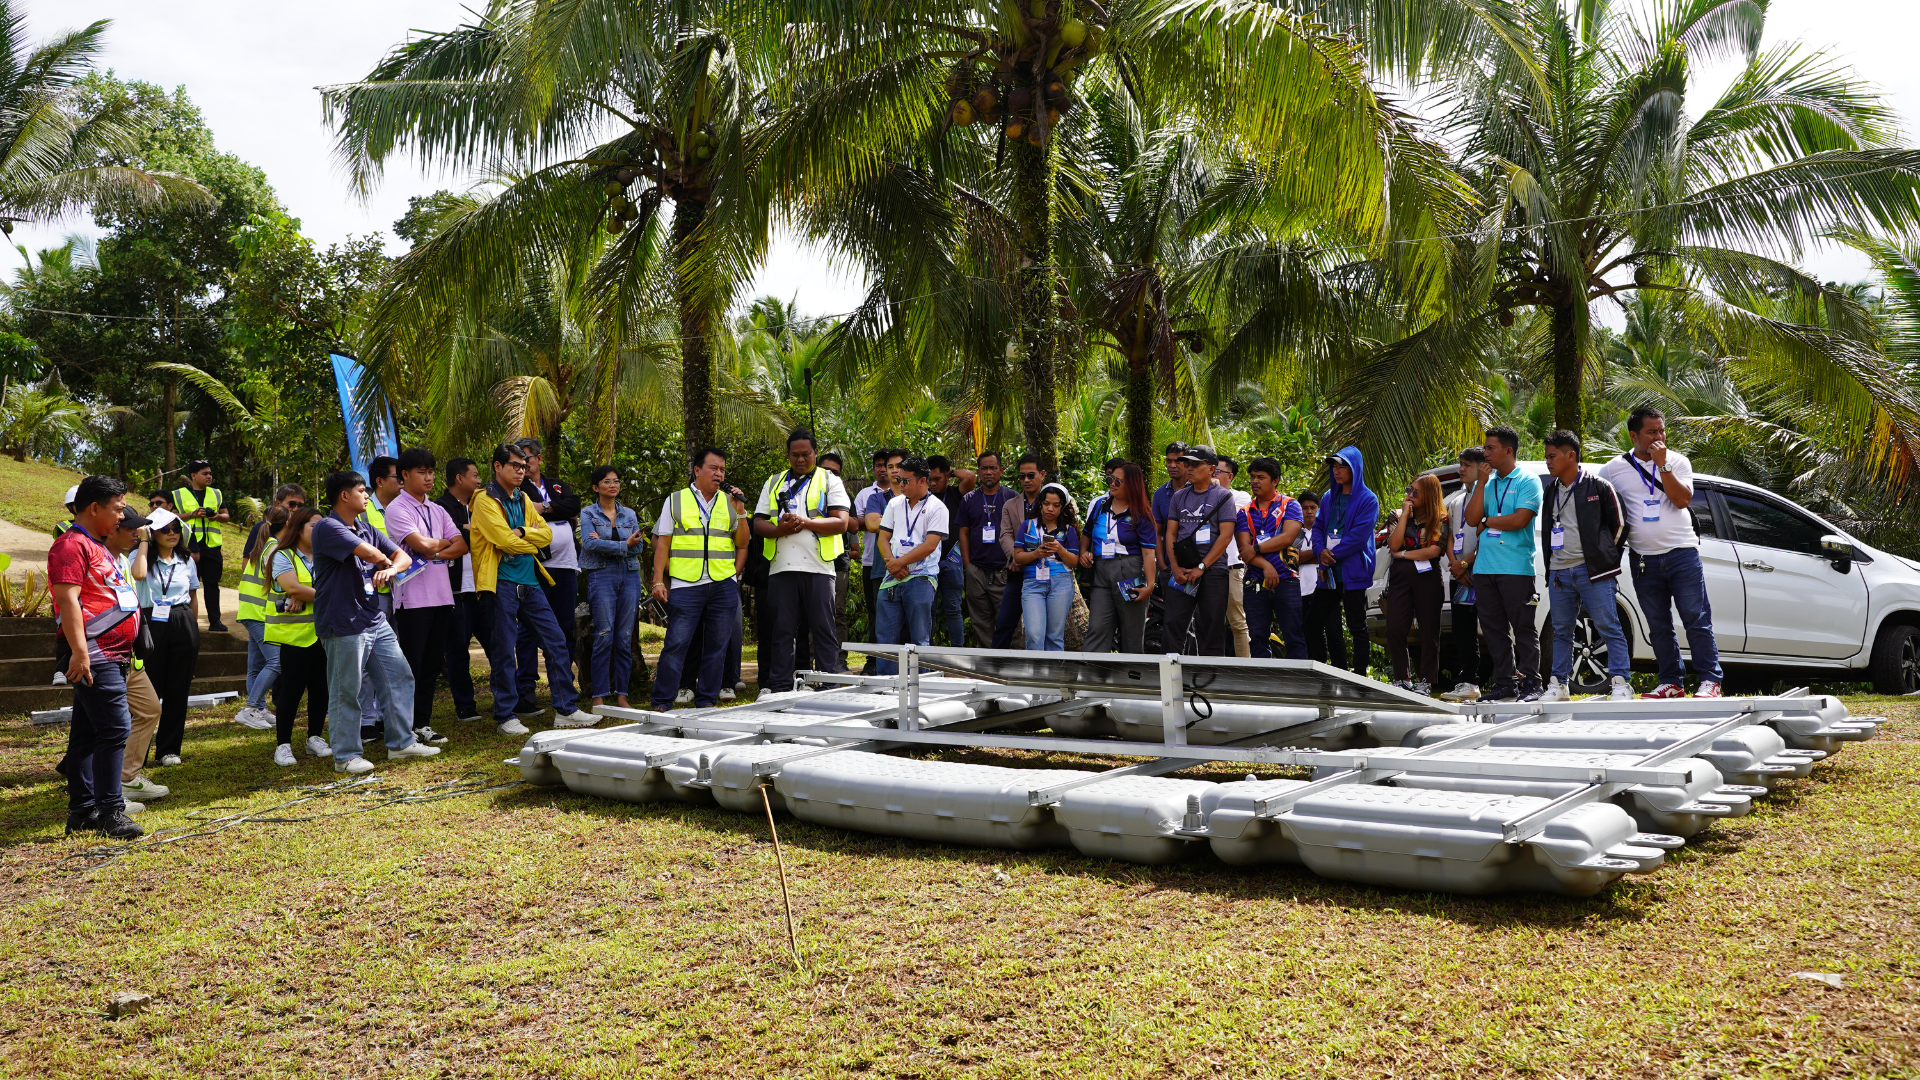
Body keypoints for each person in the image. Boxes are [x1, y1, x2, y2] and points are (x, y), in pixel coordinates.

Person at [313, 470, 443, 773]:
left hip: (373, 619)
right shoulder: (327, 527)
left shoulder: (367, 526)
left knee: (399, 676)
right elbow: (370, 553)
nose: (367, 495)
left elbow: (404, 557)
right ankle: (346, 756)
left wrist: (391, 567)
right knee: (347, 689)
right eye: (362, 490)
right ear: (345, 496)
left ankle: (401, 743)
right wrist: (386, 563)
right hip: (342, 622)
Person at [469, 445, 597, 731]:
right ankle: (505, 715)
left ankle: (566, 709)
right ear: (497, 467)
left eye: (523, 466)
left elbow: (547, 533)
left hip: (530, 580)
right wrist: (528, 539)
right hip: (500, 582)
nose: (520, 470)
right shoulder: (485, 500)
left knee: (556, 642)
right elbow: (503, 541)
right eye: (514, 465)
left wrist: (525, 532)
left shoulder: (524, 498)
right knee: (504, 650)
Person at [1600, 406, 1722, 698]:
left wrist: (1663, 465)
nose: (1659, 436)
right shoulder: (1612, 470)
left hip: (1682, 553)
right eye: (1651, 431)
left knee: (1696, 617)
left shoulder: (1678, 461)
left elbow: (1681, 500)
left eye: (1661, 430)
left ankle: (1710, 680)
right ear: (1634, 435)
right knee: (1658, 624)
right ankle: (1672, 682)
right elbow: (1604, 513)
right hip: (1642, 558)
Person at [50, 475, 143, 839]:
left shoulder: (97, 545)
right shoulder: (70, 545)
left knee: (87, 734)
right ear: (94, 508)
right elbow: (68, 600)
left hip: (113, 654)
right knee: (115, 729)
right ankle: (111, 812)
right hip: (95, 653)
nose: (122, 518)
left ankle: (82, 810)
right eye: (118, 509)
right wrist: (79, 653)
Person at [646, 447, 750, 708]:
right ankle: (661, 700)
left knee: (717, 647)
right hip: (686, 583)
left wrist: (741, 512)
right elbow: (662, 544)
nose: (719, 474)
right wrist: (658, 580)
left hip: (723, 584)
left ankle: (706, 700)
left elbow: (742, 541)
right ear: (697, 470)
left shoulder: (729, 501)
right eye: (713, 468)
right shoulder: (676, 499)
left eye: (723, 470)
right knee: (676, 644)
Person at [752, 428, 854, 693]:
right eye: (795, 455)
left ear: (815, 453)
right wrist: (779, 530)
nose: (800, 459)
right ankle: (781, 687)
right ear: (788, 455)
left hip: (819, 567)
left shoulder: (829, 480)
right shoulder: (773, 481)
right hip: (781, 568)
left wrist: (804, 522)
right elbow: (758, 523)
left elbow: (842, 523)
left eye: (805, 454)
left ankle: (830, 685)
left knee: (823, 630)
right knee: (782, 631)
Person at [1539, 430, 1633, 702]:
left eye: (1552, 456)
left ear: (1571, 455)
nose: (1548, 461)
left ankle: (1621, 683)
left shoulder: (1599, 486)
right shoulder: (1551, 490)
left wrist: (1604, 558)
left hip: (1593, 572)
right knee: (1561, 630)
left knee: (1608, 625)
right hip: (1559, 572)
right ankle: (1559, 685)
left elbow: (1620, 525)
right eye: (1546, 457)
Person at [386, 447, 467, 745]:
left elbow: (461, 546)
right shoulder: (398, 509)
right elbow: (421, 546)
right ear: (404, 476)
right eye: (422, 472)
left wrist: (435, 547)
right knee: (411, 665)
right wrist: (437, 546)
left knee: (432, 664)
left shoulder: (437, 509)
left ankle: (422, 723)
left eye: (431, 471)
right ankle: (402, 726)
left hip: (442, 596)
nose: (429, 477)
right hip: (412, 599)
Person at [1466, 426, 1544, 702]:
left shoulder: (1528, 480)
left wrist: (1489, 522)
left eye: (1490, 448)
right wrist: (1482, 485)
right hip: (1485, 567)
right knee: (1493, 628)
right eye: (1485, 448)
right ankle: (1505, 683)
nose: (1484, 453)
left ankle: (1532, 683)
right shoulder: (1484, 482)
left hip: (1515, 567)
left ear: (1508, 451)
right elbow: (1472, 518)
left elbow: (1519, 520)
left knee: (1523, 626)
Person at [515, 436, 583, 702]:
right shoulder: (518, 488)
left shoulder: (555, 484)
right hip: (536, 566)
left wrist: (545, 508)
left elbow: (574, 504)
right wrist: (560, 512)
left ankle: (563, 680)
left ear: (539, 459)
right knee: (530, 628)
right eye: (518, 462)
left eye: (527, 459)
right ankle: (526, 687)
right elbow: (524, 513)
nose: (523, 466)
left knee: (565, 626)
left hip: (566, 565)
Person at [265, 507, 333, 766]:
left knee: (321, 689)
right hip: (295, 636)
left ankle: (314, 737)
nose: (319, 531)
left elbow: (307, 587)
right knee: (292, 691)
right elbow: (292, 586)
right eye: (314, 526)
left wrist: (305, 593)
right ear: (298, 528)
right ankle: (283, 745)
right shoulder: (283, 555)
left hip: (324, 633)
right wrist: (302, 592)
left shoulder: (326, 555)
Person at [234, 485, 305, 730]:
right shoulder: (275, 548)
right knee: (276, 662)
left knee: (256, 665)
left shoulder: (267, 543)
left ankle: (260, 710)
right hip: (259, 613)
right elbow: (284, 581)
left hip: (252, 611)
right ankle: (251, 708)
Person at [870, 455, 948, 670]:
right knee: (885, 637)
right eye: (899, 480)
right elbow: (883, 538)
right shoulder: (894, 503)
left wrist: (898, 563)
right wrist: (892, 564)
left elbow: (930, 545)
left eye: (906, 480)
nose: (900, 484)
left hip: (921, 578)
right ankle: (884, 687)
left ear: (922, 481)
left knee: (919, 639)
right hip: (892, 577)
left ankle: (920, 688)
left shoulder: (937, 507)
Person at [1307, 447, 1378, 674]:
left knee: (1357, 626)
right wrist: (1319, 550)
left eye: (1342, 466)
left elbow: (1358, 536)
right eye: (1334, 466)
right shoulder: (1329, 497)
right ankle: (1320, 669)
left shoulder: (1368, 499)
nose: (1337, 471)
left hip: (1352, 571)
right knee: (1312, 622)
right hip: (1328, 572)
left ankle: (1359, 675)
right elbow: (1318, 527)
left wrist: (1331, 555)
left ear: (1354, 468)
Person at [1162, 445, 1237, 656]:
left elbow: (1225, 536)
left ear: (1212, 468)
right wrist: (1175, 568)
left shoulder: (1223, 496)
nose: (1189, 468)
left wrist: (1202, 567)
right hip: (1183, 569)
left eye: (1195, 464)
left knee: (1211, 626)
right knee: (1173, 624)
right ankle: (1171, 680)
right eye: (1188, 463)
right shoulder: (1179, 497)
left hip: (1213, 570)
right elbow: (1170, 534)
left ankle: (1209, 683)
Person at [581, 465, 644, 708]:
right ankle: (598, 695)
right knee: (604, 634)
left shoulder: (629, 513)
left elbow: (638, 547)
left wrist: (606, 542)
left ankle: (622, 695)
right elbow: (588, 544)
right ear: (596, 487)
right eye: (607, 482)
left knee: (625, 636)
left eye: (616, 481)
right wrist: (623, 545)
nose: (613, 485)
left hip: (630, 575)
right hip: (601, 575)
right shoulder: (588, 513)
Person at [141, 518, 202, 767]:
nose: (172, 533)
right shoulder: (141, 556)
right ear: (152, 532)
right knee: (147, 690)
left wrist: (193, 628)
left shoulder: (186, 560)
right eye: (164, 529)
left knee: (179, 687)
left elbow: (194, 595)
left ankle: (169, 749)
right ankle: (139, 751)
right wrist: (143, 542)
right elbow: (137, 576)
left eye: (176, 529)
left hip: (182, 618)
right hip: (151, 620)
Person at [1382, 474, 1450, 694]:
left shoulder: (1439, 517)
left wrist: (1403, 554)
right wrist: (1404, 517)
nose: (1409, 495)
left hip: (1427, 575)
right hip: (1401, 575)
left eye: (1415, 492)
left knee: (1429, 630)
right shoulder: (1397, 514)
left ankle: (1426, 681)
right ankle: (1402, 678)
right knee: (1394, 628)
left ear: (1429, 495)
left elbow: (1433, 550)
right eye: (1409, 490)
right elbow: (1393, 544)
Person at [1082, 459, 1157, 653]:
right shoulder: (1100, 505)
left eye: (1118, 481)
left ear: (1132, 484)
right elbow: (1086, 533)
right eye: (1111, 479)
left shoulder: (1141, 513)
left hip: (1129, 571)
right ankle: (1093, 677)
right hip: (1101, 570)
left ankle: (1132, 679)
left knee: (1131, 632)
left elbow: (1148, 553)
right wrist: (1083, 552)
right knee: (1097, 627)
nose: (1112, 484)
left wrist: (1149, 585)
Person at [434, 457, 487, 723]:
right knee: (457, 649)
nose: (479, 481)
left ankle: (510, 700)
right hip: (455, 589)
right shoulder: (439, 508)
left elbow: (491, 534)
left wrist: (469, 530)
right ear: (459, 478)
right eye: (475, 475)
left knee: (498, 645)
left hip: (485, 587)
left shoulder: (483, 504)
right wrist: (474, 532)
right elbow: (446, 542)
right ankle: (465, 705)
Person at [1236, 458, 1306, 659]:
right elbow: (1244, 549)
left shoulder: (1290, 505)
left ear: (1275, 480)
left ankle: (1298, 683)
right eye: (1252, 477)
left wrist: (1256, 548)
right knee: (1257, 636)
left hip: (1287, 578)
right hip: (1254, 580)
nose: (1254, 481)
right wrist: (1266, 565)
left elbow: (1287, 537)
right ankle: (1262, 685)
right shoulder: (1244, 512)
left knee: (1293, 634)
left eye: (1261, 477)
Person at [1439, 448, 1489, 701]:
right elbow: (1449, 535)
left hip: (1483, 570)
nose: (1461, 469)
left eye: (1467, 465)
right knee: (1463, 630)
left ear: (1481, 468)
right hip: (1459, 574)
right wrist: (1455, 564)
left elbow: (1489, 536)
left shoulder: (1490, 494)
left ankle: (1511, 679)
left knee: (1493, 627)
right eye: (1461, 464)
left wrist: (1467, 563)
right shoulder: (1457, 499)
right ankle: (1469, 681)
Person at [989, 455, 1050, 648]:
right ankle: (996, 670)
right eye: (1022, 476)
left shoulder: (1053, 502)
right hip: (1017, 571)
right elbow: (1005, 535)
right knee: (1004, 623)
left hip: (1047, 573)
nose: (1026, 480)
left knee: (1046, 629)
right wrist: (1014, 556)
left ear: (1042, 475)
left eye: (1031, 475)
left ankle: (1045, 670)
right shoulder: (1011, 504)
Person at [1015, 482, 1083, 651]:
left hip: (1061, 582)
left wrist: (1060, 550)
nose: (1050, 508)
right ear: (1040, 504)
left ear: (1062, 507)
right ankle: (1034, 675)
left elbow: (1075, 562)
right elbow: (1017, 557)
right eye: (1046, 504)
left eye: (1056, 505)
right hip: (1033, 582)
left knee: (1054, 635)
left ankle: (1053, 676)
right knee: (1034, 634)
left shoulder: (1068, 530)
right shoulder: (1028, 525)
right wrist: (1036, 554)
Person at [959, 450, 1015, 647]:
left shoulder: (1013, 498)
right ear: (979, 471)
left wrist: (1013, 563)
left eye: (993, 468)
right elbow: (964, 533)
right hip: (977, 572)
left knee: (1011, 622)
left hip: (1004, 571)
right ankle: (988, 668)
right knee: (981, 623)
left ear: (1001, 470)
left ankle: (1014, 664)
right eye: (984, 468)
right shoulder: (968, 499)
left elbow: (1020, 533)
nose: (989, 472)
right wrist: (968, 566)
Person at [172, 460, 231, 631]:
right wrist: (192, 514)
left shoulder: (216, 493)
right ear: (193, 476)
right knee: (189, 586)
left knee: (212, 585)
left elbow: (226, 516)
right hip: (189, 547)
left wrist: (217, 517)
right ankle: (190, 624)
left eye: (210, 473)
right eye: (205, 473)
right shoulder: (178, 494)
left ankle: (215, 622)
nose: (209, 476)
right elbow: (173, 517)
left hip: (212, 547)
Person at [859, 449, 905, 665]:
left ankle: (915, 672)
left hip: (917, 569)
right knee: (883, 622)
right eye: (890, 466)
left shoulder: (920, 497)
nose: (894, 471)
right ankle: (882, 669)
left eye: (899, 465)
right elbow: (870, 524)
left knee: (914, 624)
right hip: (882, 568)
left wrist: (886, 522)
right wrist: (906, 522)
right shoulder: (876, 498)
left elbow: (881, 524)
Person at [1144, 441, 1188, 651]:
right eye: (1168, 460)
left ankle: (1199, 668)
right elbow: (1158, 533)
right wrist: (1162, 566)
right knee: (1173, 621)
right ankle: (1172, 671)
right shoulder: (1160, 494)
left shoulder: (1201, 489)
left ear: (1188, 462)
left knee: (1199, 621)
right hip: (1169, 569)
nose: (1172, 465)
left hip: (1198, 566)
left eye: (1177, 460)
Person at [1214, 456, 1255, 657]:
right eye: (1211, 470)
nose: (1213, 475)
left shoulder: (1241, 497)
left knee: (1238, 622)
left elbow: (1229, 518)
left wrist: (1214, 492)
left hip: (1232, 567)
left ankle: (1246, 669)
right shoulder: (1197, 496)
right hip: (1206, 567)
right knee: (1208, 622)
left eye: (1217, 472)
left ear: (1230, 476)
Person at [816, 451, 855, 662]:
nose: (830, 474)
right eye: (826, 470)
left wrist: (838, 513)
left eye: (835, 472)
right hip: (813, 561)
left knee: (838, 612)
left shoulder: (844, 495)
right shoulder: (807, 491)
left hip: (838, 563)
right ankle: (811, 659)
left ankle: (839, 659)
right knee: (812, 614)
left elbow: (854, 525)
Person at [927, 454, 967, 648]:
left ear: (947, 476)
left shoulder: (955, 493)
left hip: (952, 560)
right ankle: (926, 651)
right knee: (929, 609)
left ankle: (958, 651)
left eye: (938, 479)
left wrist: (951, 471)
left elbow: (970, 477)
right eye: (929, 479)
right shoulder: (923, 498)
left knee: (953, 609)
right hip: (927, 561)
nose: (933, 484)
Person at [1295, 491, 1327, 661]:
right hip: (1299, 588)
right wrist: (1317, 554)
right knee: (1303, 630)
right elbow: (1292, 559)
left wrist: (1303, 556)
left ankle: (1322, 665)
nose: (1309, 511)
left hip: (1321, 586)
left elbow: (1330, 554)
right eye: (1305, 508)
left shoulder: (1323, 530)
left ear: (1319, 509)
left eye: (1313, 507)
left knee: (1321, 630)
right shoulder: (1295, 531)